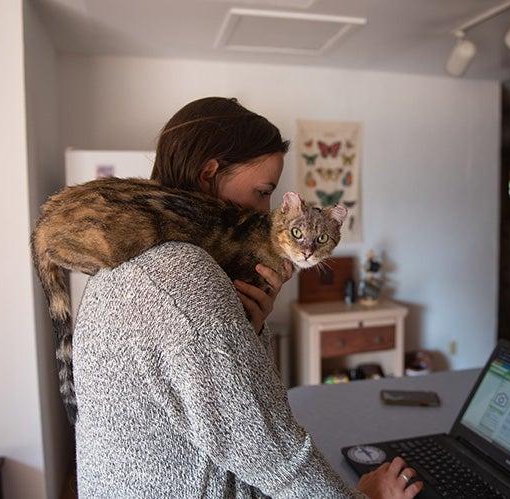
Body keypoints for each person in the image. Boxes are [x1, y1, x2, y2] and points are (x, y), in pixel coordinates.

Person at [72, 97, 424, 498]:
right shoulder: (182, 274)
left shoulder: (127, 257)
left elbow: (211, 398)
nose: (267, 213)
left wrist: (248, 328)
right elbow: (274, 454)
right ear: (209, 175)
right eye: (262, 192)